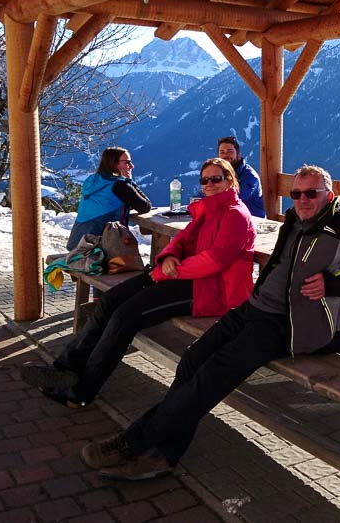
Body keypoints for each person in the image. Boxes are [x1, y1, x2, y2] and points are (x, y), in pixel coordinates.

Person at [81, 165, 340, 480]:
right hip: (253, 308)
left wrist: (330, 283)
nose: (302, 200)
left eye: (311, 193)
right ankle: (165, 453)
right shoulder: (296, 218)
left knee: (210, 377)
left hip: (285, 324)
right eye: (296, 194)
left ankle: (133, 442)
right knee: (192, 359)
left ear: (330, 195)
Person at [22, 157, 256, 407]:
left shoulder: (235, 215)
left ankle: (81, 390)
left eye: (216, 179)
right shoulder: (208, 209)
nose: (209, 184)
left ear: (230, 181)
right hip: (183, 276)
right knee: (110, 300)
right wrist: (169, 256)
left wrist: (167, 271)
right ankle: (64, 369)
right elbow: (182, 239)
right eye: (204, 179)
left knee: (126, 316)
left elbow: (215, 261)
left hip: (209, 290)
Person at [67, 147, 151, 251]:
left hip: (77, 243)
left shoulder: (92, 180)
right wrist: (129, 180)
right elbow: (145, 206)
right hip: (100, 249)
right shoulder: (119, 186)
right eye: (127, 162)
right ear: (113, 163)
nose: (132, 166)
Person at [217, 136, 265, 218]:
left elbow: (235, 200)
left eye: (230, 151)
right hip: (229, 218)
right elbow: (206, 191)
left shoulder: (249, 176)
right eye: (222, 152)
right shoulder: (220, 173)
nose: (225, 155)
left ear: (238, 155)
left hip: (252, 221)